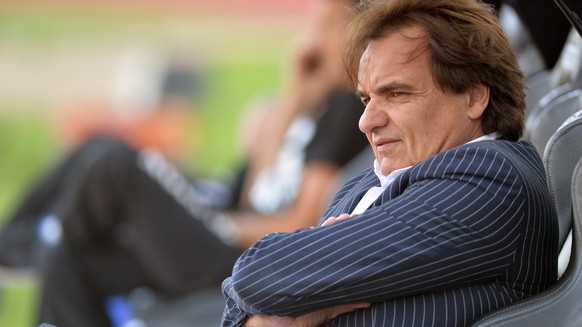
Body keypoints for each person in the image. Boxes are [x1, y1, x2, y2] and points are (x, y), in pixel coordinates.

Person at [0, 0, 368, 326]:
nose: (311, 42)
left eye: (326, 26)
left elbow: (299, 224)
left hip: (239, 254)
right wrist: (293, 98)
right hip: (223, 223)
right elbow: (258, 190)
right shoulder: (313, 97)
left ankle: (23, 246)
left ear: (357, 32)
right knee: (69, 256)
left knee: (114, 163)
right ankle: (25, 245)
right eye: (311, 25)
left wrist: (211, 223)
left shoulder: (349, 108)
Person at [221, 0, 559, 326]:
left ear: (474, 96)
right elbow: (246, 298)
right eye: (367, 99)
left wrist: (302, 308)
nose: (366, 121)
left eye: (397, 94)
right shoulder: (373, 181)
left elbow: (257, 273)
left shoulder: (491, 179)